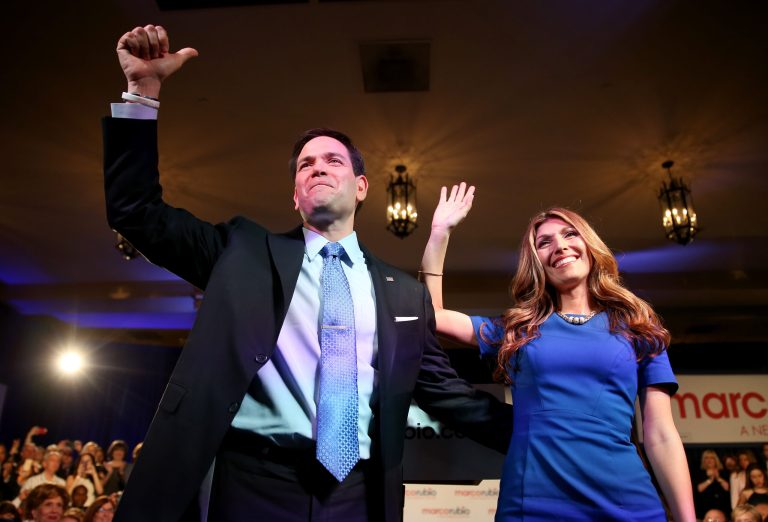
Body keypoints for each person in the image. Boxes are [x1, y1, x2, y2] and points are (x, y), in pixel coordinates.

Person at [102, 24, 511, 522]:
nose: (317, 167)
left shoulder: (404, 294)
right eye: (305, 164)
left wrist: (547, 430)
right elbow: (136, 211)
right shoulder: (242, 251)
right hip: (255, 483)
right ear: (295, 196)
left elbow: (449, 395)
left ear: (361, 187)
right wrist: (143, 94)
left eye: (332, 160)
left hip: (359, 494)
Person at [420, 184, 695, 521]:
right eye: (544, 242)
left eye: (569, 234)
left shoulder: (638, 327)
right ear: (536, 262)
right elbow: (430, 315)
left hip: (626, 502)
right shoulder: (519, 330)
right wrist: (439, 234)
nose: (560, 246)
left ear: (589, 245)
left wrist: (687, 518)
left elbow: (662, 435)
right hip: (534, 503)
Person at [697, 449, 731, 518]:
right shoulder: (699, 473)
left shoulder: (724, 472)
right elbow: (699, 489)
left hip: (722, 507)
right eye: (706, 458)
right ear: (703, 460)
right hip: (704, 508)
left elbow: (727, 488)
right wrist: (710, 480)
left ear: (716, 460)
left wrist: (718, 478)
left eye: (711, 458)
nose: (709, 460)